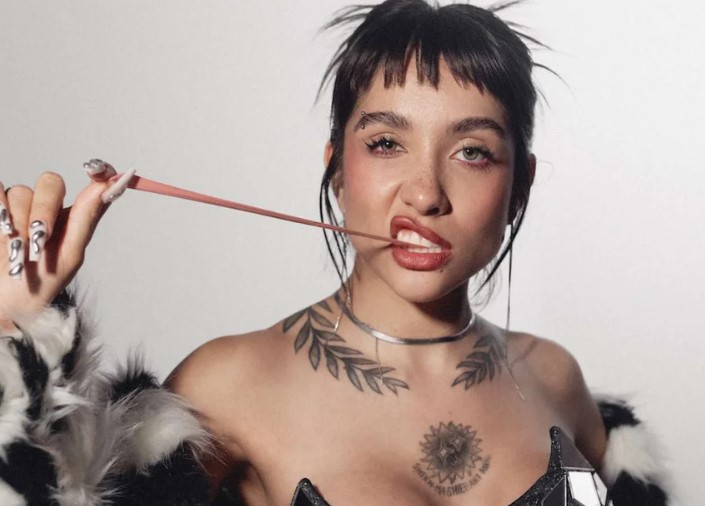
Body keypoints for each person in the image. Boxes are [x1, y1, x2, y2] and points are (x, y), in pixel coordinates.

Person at [0, 1, 669, 505]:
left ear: (519, 183)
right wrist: (18, 336)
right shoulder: (230, 385)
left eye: (472, 151)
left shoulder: (554, 377)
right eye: (385, 143)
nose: (425, 193)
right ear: (337, 170)